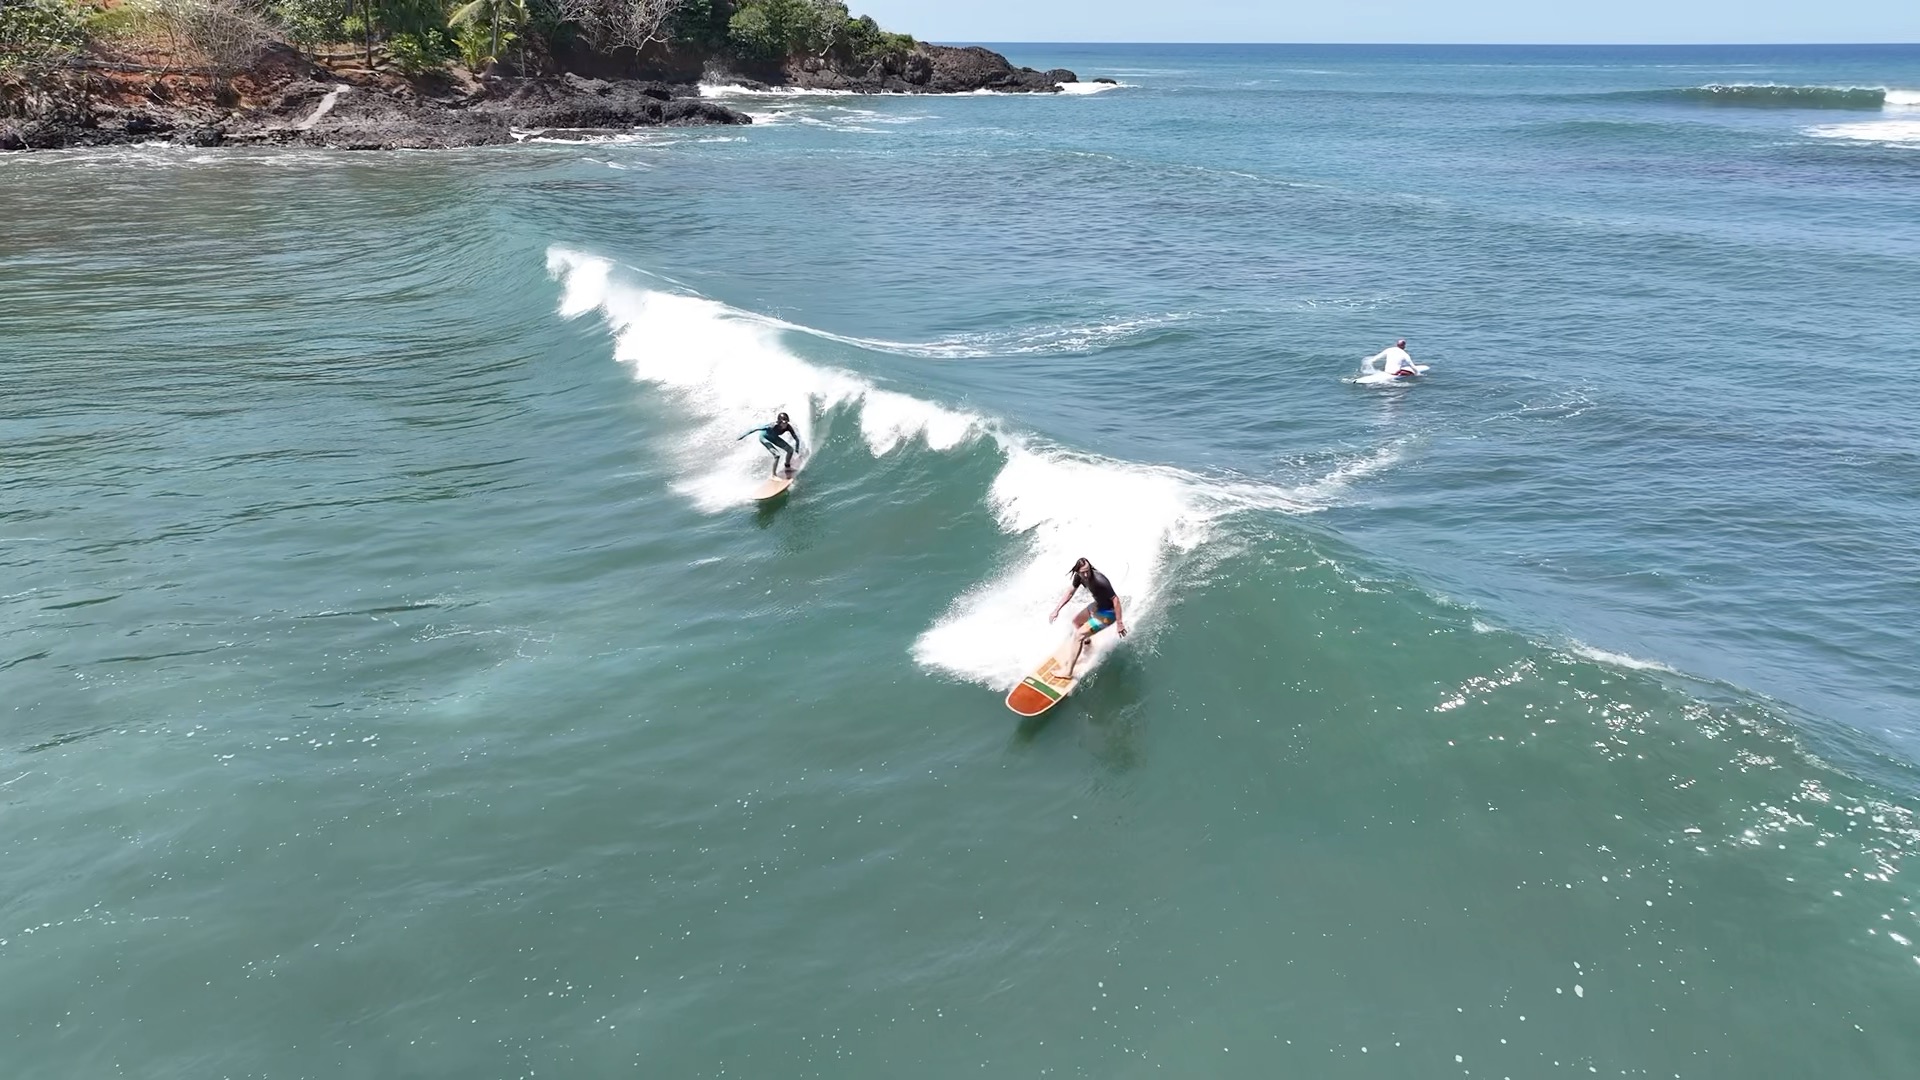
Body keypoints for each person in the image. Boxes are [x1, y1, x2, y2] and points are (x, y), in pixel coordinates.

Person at [1048, 557, 1127, 679]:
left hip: (1108, 613)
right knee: (1076, 622)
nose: (1085, 574)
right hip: (1097, 606)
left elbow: (1115, 600)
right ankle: (1087, 641)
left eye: (1087, 571)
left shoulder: (1100, 580)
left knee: (1078, 635)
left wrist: (1119, 623)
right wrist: (1056, 610)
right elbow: (1070, 592)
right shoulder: (1079, 577)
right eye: (1082, 572)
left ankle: (1068, 672)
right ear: (1077, 571)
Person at [738, 411, 803, 477]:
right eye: (783, 422)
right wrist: (742, 436)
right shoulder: (772, 426)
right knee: (777, 455)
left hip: (774, 437)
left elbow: (796, 439)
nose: (785, 424)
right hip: (764, 437)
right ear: (779, 422)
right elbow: (755, 429)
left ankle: (787, 465)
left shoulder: (788, 427)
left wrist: (797, 450)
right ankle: (773, 475)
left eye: (786, 422)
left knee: (790, 450)